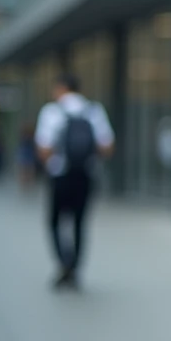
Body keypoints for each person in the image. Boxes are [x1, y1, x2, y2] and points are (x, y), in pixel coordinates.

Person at [35, 75, 114, 289]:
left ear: (61, 88)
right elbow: (107, 147)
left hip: (60, 175)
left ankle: (64, 263)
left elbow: (43, 149)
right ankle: (75, 268)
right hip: (85, 174)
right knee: (79, 222)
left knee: (55, 221)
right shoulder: (93, 111)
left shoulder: (52, 112)